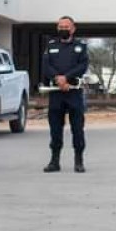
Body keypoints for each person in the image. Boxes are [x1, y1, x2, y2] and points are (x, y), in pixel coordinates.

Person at [41, 16, 89, 173]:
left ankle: (79, 161)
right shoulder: (51, 45)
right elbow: (46, 66)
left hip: (73, 92)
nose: (63, 29)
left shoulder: (81, 47)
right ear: (57, 28)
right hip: (56, 93)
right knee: (55, 129)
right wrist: (57, 78)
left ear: (73, 29)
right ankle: (54, 161)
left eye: (66, 27)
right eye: (61, 26)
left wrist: (66, 78)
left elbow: (83, 66)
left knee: (77, 129)